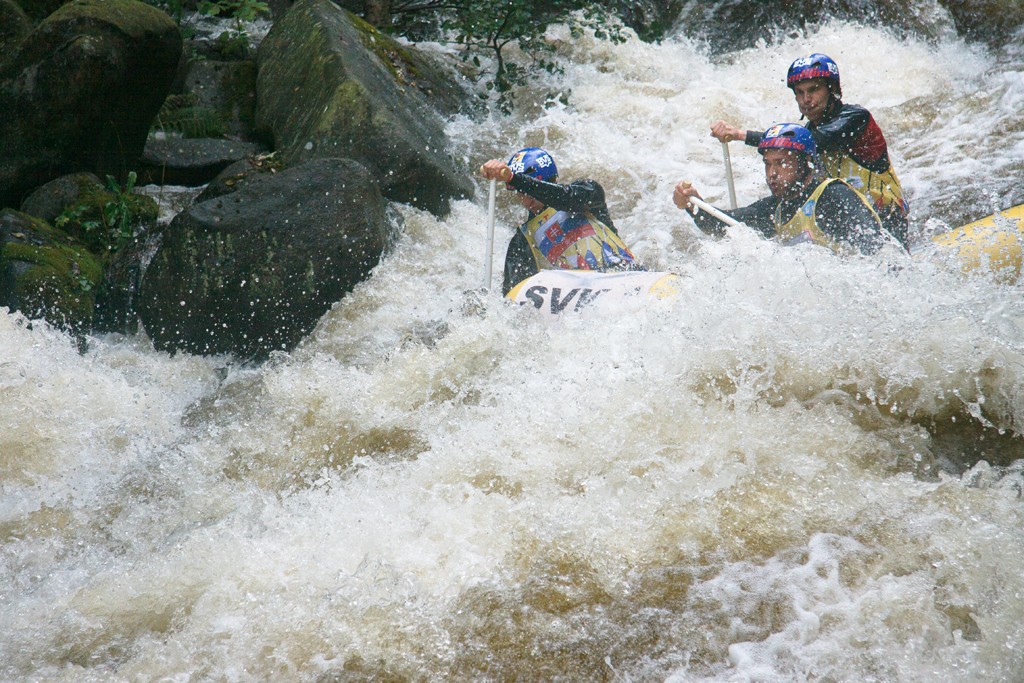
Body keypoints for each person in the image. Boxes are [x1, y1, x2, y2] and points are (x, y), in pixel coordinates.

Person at [710, 53, 910, 249]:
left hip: (886, 215)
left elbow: (812, 141)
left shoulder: (855, 118)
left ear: (831, 89)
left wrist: (740, 134)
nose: (806, 99)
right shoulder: (807, 134)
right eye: (799, 92)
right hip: (841, 215)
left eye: (814, 90)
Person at [673, 123, 888, 254]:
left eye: (781, 163)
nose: (772, 173)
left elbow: (876, 252)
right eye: (768, 164)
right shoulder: (775, 209)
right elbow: (723, 225)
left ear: (807, 163)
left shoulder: (833, 196)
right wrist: (693, 203)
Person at [479, 147, 643, 295]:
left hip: (626, 275)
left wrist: (514, 178)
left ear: (549, 182)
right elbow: (514, 296)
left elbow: (566, 197)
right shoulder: (523, 240)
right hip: (587, 296)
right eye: (520, 194)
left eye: (529, 193)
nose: (526, 201)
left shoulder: (587, 193)